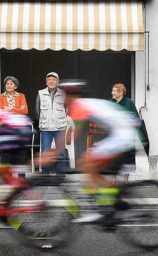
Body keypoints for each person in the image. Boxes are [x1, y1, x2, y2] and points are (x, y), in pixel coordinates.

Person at [58, 80, 140, 223]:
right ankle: (115, 201)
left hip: (123, 134)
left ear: (70, 96)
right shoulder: (86, 104)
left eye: (64, 96)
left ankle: (98, 210)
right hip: (121, 133)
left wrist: (48, 155)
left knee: (87, 163)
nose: (63, 99)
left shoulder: (78, 106)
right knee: (89, 164)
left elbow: (71, 136)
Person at [34, 72, 67, 175]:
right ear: (46, 82)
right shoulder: (40, 93)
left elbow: (67, 109)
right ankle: (45, 175)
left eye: (54, 79)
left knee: (61, 153)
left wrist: (60, 119)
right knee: (45, 153)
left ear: (58, 82)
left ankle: (60, 176)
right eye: (49, 79)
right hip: (46, 128)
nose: (51, 81)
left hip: (60, 127)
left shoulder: (63, 93)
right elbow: (37, 111)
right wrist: (44, 120)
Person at [0, 76, 28, 169]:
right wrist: (18, 110)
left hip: (18, 130)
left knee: (19, 156)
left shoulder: (21, 96)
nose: (9, 85)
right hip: (5, 129)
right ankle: (7, 179)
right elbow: (0, 112)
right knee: (5, 156)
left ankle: (21, 180)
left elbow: (25, 111)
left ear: (16, 86)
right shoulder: (1, 97)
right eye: (7, 84)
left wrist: (10, 109)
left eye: (11, 84)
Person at [109, 83, 139, 182]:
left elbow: (136, 119)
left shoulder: (129, 103)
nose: (112, 93)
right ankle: (113, 180)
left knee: (128, 157)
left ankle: (126, 180)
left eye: (114, 91)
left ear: (121, 93)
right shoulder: (110, 102)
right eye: (112, 90)